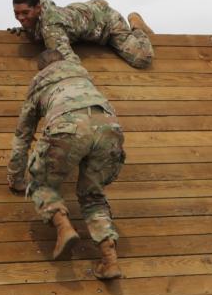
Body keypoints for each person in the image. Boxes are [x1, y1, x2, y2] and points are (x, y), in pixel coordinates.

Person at [7, 49, 125, 280]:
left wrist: (16, 177)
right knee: (93, 196)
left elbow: (23, 135)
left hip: (68, 126)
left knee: (41, 183)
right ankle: (109, 260)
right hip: (110, 129)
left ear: (42, 69)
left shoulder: (39, 85)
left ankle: (63, 227)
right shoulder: (83, 77)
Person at [9, 0, 154, 69]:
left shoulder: (52, 28)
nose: (21, 18)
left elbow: (70, 63)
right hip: (84, 12)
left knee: (142, 59)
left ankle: (136, 24)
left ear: (38, 8)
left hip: (106, 22)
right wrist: (27, 28)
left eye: (25, 13)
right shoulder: (39, 3)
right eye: (17, 14)